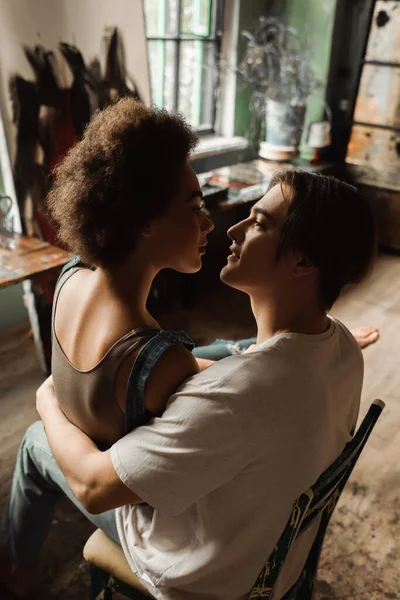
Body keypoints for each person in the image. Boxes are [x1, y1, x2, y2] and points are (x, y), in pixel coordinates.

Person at [1, 163, 377, 599]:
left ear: (304, 261)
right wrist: (212, 366)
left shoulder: (233, 400)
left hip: (196, 570)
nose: (231, 229)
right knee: (215, 352)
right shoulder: (342, 343)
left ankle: (16, 572)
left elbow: (92, 486)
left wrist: (47, 395)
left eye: (258, 223)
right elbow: (247, 380)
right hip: (271, 543)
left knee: (35, 440)